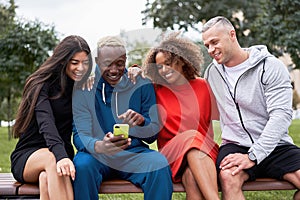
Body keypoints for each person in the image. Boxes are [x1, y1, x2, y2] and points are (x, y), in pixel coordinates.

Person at [202, 16, 300, 200]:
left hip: (276, 146)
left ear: (232, 34)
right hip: (235, 145)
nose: (210, 50)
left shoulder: (270, 66)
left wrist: (254, 155)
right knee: (228, 177)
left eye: (214, 42)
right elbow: (187, 86)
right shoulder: (212, 72)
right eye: (207, 45)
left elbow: (281, 115)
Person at [72, 35, 173, 200]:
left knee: (158, 164)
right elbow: (79, 135)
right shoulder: (84, 88)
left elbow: (152, 134)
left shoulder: (141, 84)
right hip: (96, 155)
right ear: (97, 61)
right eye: (107, 64)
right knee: (82, 166)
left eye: (119, 64)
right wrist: (99, 146)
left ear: (126, 60)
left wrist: (141, 122)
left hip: (133, 153)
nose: (114, 70)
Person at [130, 32, 220, 200]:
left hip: (203, 155)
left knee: (191, 179)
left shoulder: (203, 86)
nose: (164, 70)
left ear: (182, 60)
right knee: (191, 136)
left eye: (168, 63)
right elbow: (130, 81)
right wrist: (135, 69)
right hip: (171, 156)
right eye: (159, 66)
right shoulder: (156, 89)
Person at [10, 35, 93, 200]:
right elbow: (46, 123)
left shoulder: (80, 86)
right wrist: (61, 157)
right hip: (30, 157)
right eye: (75, 62)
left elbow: (112, 75)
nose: (81, 68)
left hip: (60, 156)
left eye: (85, 63)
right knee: (52, 159)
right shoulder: (40, 84)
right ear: (63, 61)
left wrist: (133, 69)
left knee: (47, 178)